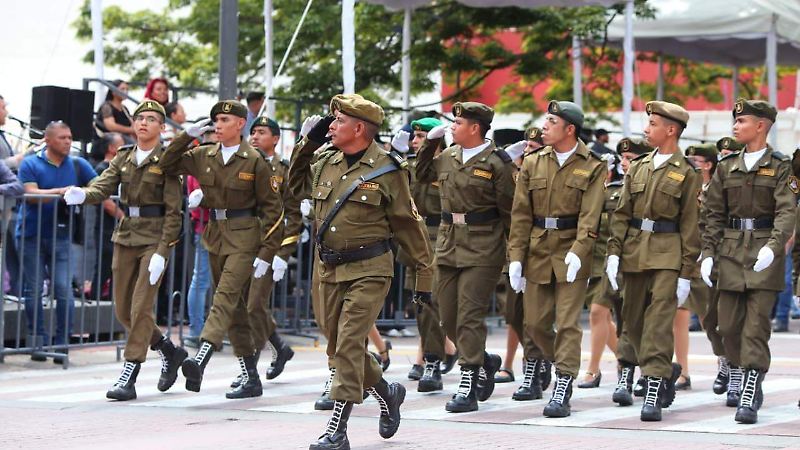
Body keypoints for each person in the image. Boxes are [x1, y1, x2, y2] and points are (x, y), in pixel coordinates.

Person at [288, 94, 433, 450]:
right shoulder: (324, 159)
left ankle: (337, 428)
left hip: (369, 268)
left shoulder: (388, 168)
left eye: (338, 121)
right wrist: (307, 144)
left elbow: (407, 224)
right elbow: (293, 188)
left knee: (351, 342)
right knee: (338, 346)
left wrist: (424, 278)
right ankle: (386, 391)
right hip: (327, 267)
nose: (331, 126)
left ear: (359, 128)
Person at [160, 100, 284, 400]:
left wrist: (268, 253)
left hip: (245, 236)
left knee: (223, 297)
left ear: (240, 124)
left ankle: (200, 357)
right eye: (216, 119)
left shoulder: (254, 160)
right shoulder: (205, 154)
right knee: (235, 309)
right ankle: (251, 376)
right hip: (214, 235)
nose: (218, 124)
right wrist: (184, 137)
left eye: (225, 119)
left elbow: (273, 210)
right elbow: (166, 164)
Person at [64, 100, 186, 400]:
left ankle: (130, 372)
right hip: (127, 234)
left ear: (161, 126)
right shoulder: (124, 156)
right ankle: (168, 350)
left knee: (140, 306)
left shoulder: (167, 160)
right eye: (139, 118)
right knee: (122, 309)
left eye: (150, 119)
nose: (143, 123)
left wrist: (164, 249)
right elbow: (102, 186)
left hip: (155, 238)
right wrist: (84, 195)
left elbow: (174, 212)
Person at [416, 102, 516, 412]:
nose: (452, 127)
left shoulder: (498, 164)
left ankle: (469, 380)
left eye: (458, 123)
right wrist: (431, 142)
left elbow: (510, 213)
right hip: (448, 244)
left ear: (475, 128)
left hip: (484, 248)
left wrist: (515, 257)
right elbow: (420, 174)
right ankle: (484, 359)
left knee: (470, 315)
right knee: (446, 315)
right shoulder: (446, 156)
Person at [507, 101, 605, 417]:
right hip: (537, 250)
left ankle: (563, 381)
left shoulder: (592, 165)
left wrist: (579, 251)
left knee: (566, 323)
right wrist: (516, 258)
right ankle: (557, 362)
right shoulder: (533, 163)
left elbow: (591, 217)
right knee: (534, 323)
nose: (544, 126)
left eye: (551, 121)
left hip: (571, 251)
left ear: (569, 129)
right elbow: (520, 214)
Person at [702, 99, 795, 424]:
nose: (735, 126)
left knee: (755, 328)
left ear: (761, 126)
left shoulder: (782, 167)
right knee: (726, 326)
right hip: (730, 255)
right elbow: (713, 213)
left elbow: (787, 211)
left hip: (763, 256)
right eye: (735, 121)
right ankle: (738, 370)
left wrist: (774, 246)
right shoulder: (726, 168)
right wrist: (708, 252)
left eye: (742, 121)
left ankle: (751, 389)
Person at [607, 101, 700, 422]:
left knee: (659, 323)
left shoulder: (687, 173)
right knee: (631, 320)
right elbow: (621, 214)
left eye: (653, 124)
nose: (646, 129)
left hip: (667, 255)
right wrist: (613, 253)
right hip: (634, 253)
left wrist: (688, 271)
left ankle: (654, 385)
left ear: (671, 130)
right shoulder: (641, 166)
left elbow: (690, 225)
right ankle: (643, 370)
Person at [17, 122, 97, 360]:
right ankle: (37, 342)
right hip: (31, 234)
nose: (68, 141)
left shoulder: (77, 163)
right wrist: (61, 191)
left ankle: (62, 344)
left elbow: (99, 185)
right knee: (34, 289)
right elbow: (30, 194)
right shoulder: (31, 162)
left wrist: (84, 193)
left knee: (63, 289)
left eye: (70, 137)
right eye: (62, 137)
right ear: (48, 140)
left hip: (61, 235)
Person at [395, 116, 455, 391]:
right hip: (413, 240)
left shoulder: (447, 165)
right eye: (414, 137)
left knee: (432, 302)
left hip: (439, 237)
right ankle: (446, 350)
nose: (415, 141)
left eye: (420, 137)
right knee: (421, 303)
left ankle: (432, 361)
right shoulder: (406, 166)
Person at [497, 126, 553, 401]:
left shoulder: (548, 174)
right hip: (515, 251)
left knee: (534, 317)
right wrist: (507, 163)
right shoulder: (518, 174)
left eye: (534, 148)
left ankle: (533, 368)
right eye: (527, 148)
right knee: (512, 313)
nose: (528, 152)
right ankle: (544, 355)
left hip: (541, 252)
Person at [238, 115, 295, 383]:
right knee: (249, 305)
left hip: (270, 247)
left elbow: (293, 216)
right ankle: (280, 348)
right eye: (253, 132)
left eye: (261, 132)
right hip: (243, 244)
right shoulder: (245, 164)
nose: (255, 137)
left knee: (253, 307)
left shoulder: (284, 169)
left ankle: (250, 371)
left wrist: (283, 254)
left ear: (275, 138)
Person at [674, 143, 719, 391]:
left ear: (708, 165)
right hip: (686, 258)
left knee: (710, 318)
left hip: (708, 260)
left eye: (696, 161)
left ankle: (725, 362)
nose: (691, 165)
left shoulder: (718, 190)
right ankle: (682, 371)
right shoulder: (686, 187)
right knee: (679, 313)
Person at [578, 150, 624, 389]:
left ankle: (593, 369)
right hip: (590, 263)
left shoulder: (615, 193)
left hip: (611, 263)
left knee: (597, 313)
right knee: (602, 317)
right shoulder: (586, 194)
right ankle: (625, 359)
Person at [89, 132, 125, 301]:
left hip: (119, 228)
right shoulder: (102, 169)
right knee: (104, 269)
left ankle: (112, 315)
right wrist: (126, 218)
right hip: (107, 228)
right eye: (121, 144)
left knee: (118, 271)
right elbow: (106, 201)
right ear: (111, 148)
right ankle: (97, 312)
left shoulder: (122, 169)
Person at [95, 80, 135, 145]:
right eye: (122, 89)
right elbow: (111, 126)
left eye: (127, 89)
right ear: (113, 91)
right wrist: (131, 130)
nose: (126, 91)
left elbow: (132, 123)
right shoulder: (107, 106)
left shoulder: (124, 108)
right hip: (108, 140)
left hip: (124, 138)